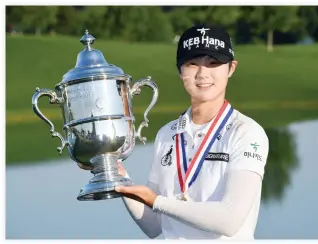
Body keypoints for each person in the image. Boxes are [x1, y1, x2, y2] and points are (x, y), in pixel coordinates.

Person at [78, 24, 269, 240]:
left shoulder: (246, 132)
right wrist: (120, 179)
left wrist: (157, 201)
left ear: (231, 68)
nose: (202, 73)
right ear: (180, 70)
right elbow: (154, 225)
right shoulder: (167, 135)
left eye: (214, 63)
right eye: (192, 63)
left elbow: (229, 220)